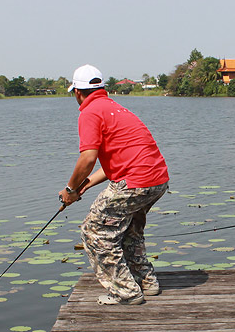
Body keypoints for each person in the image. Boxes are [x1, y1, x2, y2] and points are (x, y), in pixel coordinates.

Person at [59, 64, 170, 305]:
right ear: (101, 88)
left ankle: (126, 291)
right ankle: (146, 282)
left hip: (135, 182)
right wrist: (84, 185)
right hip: (157, 180)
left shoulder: (89, 112)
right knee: (130, 230)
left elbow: (88, 157)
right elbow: (118, 162)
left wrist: (69, 190)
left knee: (94, 231)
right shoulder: (114, 107)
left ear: (77, 92)